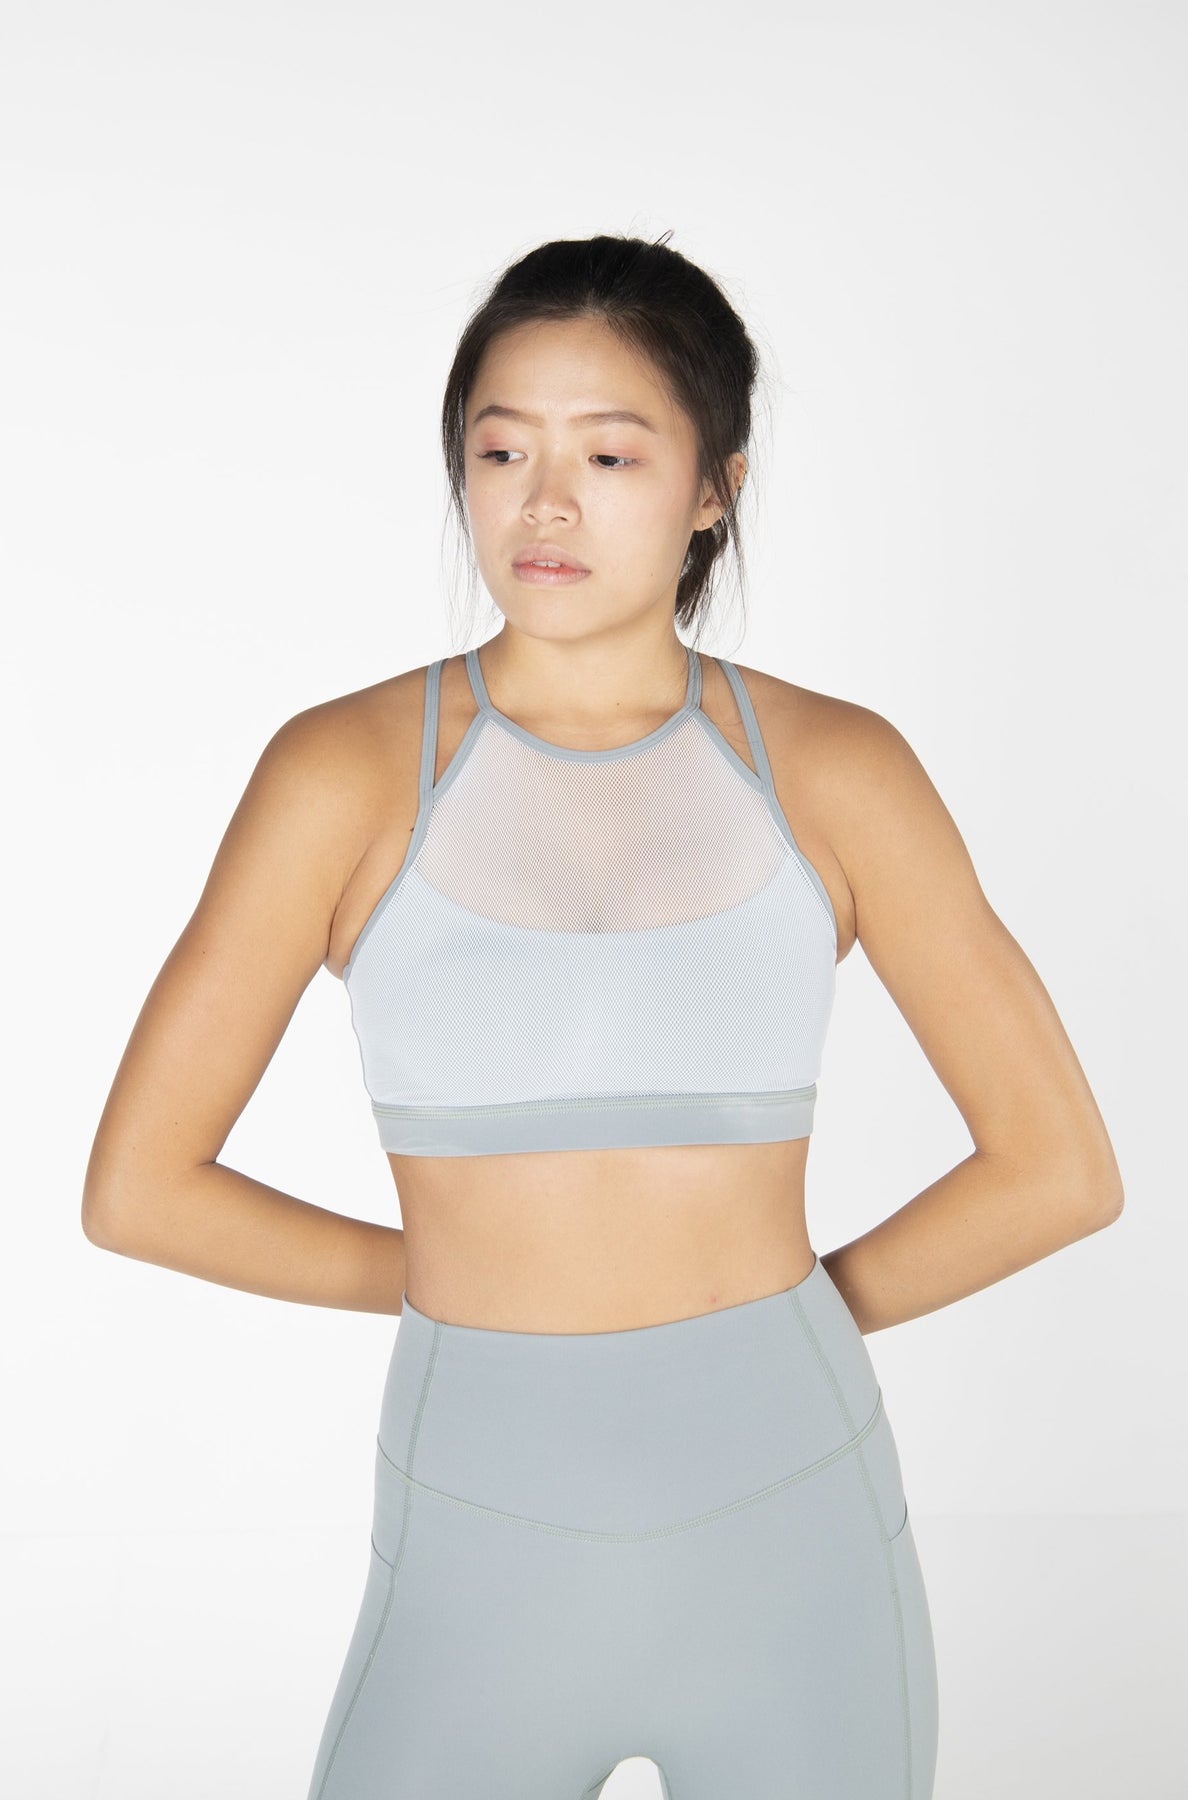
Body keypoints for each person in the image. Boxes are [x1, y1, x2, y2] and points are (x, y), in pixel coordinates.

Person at [81, 232, 1124, 1800]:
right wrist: (448, 1283)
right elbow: (138, 1190)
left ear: (715, 488)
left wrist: (784, 1322)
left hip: (798, 1542)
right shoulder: (343, 774)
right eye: (502, 450)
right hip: (475, 1554)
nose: (544, 503)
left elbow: (1061, 1169)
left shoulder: (836, 771)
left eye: (611, 455)